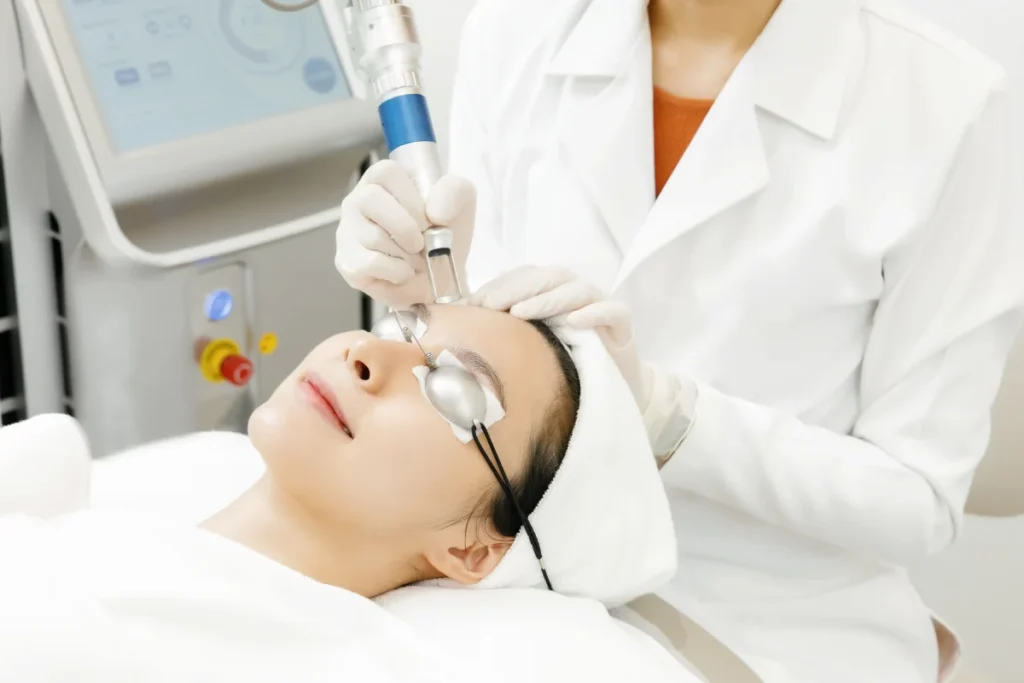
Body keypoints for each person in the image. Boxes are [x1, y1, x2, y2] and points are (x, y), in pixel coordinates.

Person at [333, 0, 1024, 681]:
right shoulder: (513, 34)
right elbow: (481, 398)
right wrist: (415, 305)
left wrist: (675, 418)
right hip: (528, 577)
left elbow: (918, 503)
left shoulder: (945, 103)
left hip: (775, 619)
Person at [0, 304, 676, 681]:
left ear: (474, 549)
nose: (368, 356)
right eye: (408, 324)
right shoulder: (106, 506)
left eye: (456, 387)